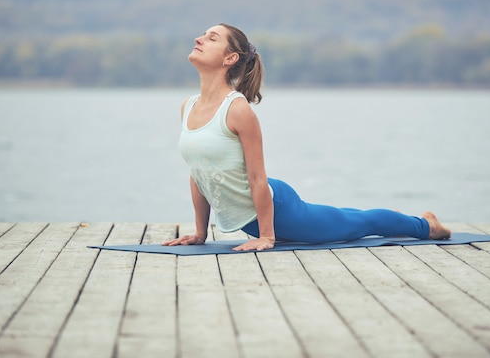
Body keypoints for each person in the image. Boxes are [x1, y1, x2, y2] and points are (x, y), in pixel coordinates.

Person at [163, 23, 451, 252]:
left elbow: (257, 179)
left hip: (279, 211)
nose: (200, 39)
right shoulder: (188, 107)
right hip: (259, 210)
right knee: (344, 218)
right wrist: (200, 233)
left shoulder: (237, 110)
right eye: (203, 35)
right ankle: (391, 217)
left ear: (230, 58)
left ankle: (427, 226)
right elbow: (198, 173)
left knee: (356, 224)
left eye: (211, 38)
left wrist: (266, 236)